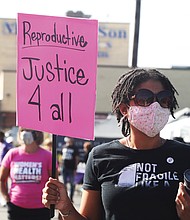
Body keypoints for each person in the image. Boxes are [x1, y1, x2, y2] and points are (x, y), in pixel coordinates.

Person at [42, 68, 190, 220]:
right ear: (124, 109)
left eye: (163, 99)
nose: (155, 106)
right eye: (144, 98)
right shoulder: (100, 156)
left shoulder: (185, 156)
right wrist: (66, 208)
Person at [0, 127, 58, 220]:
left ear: (37, 134)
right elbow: (2, 179)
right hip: (16, 207)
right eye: (22, 130)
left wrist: (52, 203)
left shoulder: (48, 156)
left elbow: (55, 183)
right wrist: (6, 199)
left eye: (29, 130)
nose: (25, 133)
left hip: (41, 209)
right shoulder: (12, 154)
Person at [61, 137, 79, 202]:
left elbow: (77, 159)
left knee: (72, 184)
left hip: (71, 168)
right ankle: (65, 198)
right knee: (64, 183)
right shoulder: (64, 147)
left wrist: (75, 168)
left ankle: (71, 198)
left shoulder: (75, 148)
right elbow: (61, 157)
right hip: (64, 167)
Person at [0, 130, 13, 206]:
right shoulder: (1, 145)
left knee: (6, 182)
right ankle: (3, 197)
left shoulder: (7, 145)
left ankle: (7, 197)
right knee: (2, 181)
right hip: (1, 166)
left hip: (7, 166)